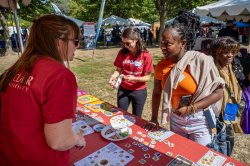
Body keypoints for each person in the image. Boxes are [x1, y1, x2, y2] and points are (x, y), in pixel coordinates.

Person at [0, 14, 86, 165]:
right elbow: (59, 141)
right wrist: (77, 138)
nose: (78, 46)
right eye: (76, 41)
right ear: (59, 42)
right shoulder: (60, 76)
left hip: (10, 154)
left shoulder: (16, 69)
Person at [145, 11, 224, 146]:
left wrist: (191, 108)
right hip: (176, 119)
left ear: (182, 43)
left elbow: (218, 92)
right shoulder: (162, 66)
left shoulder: (200, 61)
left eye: (167, 43)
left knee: (199, 157)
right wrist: (153, 118)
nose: (163, 47)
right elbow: (157, 92)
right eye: (161, 43)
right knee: (178, 153)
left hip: (200, 119)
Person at [109, 27, 153, 117]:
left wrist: (135, 78)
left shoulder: (146, 55)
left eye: (128, 43)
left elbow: (147, 78)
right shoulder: (122, 53)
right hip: (123, 89)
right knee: (120, 114)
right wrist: (113, 76)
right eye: (123, 43)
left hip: (139, 91)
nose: (125, 46)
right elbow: (118, 70)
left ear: (136, 40)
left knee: (136, 117)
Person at [210, 36, 243, 155]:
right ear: (216, 53)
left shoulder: (234, 66)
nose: (230, 55)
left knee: (229, 139)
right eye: (225, 52)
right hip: (216, 113)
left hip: (231, 108)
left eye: (233, 52)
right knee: (218, 142)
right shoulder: (211, 69)